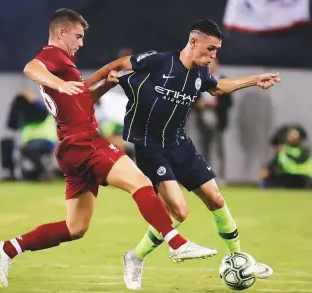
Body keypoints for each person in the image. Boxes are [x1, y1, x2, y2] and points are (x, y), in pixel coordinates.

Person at [0, 9, 215, 288]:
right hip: (84, 143)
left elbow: (79, 101)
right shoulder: (53, 55)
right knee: (140, 182)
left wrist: (103, 87)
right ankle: (177, 243)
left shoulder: (63, 65)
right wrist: (59, 83)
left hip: (70, 149)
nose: (81, 43)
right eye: (78, 36)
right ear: (61, 33)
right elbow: (31, 68)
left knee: (75, 228)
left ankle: (9, 248)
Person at [86, 19, 280, 290]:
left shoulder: (201, 74)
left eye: (216, 50)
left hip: (180, 144)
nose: (213, 55)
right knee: (178, 212)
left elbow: (217, 87)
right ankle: (135, 257)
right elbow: (116, 66)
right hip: (150, 147)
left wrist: (254, 80)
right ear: (193, 42)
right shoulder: (158, 61)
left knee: (215, 199)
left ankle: (238, 257)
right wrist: (84, 88)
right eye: (210, 49)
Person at [195, 58, 232, 183]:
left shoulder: (223, 79)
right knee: (202, 148)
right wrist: (199, 104)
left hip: (218, 119)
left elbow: (228, 101)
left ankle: (220, 177)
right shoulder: (198, 79)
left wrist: (217, 104)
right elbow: (191, 98)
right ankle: (205, 176)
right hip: (202, 118)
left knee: (218, 149)